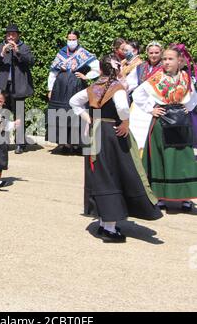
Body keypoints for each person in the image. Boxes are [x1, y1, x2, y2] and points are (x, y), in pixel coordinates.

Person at [69, 54, 162, 243]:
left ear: (101, 70)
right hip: (112, 134)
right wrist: (126, 123)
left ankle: (105, 223)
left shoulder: (93, 87)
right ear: (117, 70)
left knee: (101, 174)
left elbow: (74, 102)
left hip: (96, 132)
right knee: (115, 173)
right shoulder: (116, 88)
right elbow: (122, 108)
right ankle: (109, 229)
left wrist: (89, 119)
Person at [133, 47, 197, 212]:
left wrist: (188, 107)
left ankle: (184, 197)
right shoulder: (156, 78)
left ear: (179, 61)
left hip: (181, 122)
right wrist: (150, 109)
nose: (166, 62)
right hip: (161, 121)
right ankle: (160, 195)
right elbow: (138, 94)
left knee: (183, 158)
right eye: (165, 59)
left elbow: (193, 96)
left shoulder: (185, 77)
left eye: (170, 59)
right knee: (160, 157)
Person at [47, 30, 100, 154]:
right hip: (60, 88)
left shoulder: (84, 54)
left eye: (73, 39)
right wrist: (50, 89)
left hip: (77, 87)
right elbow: (52, 73)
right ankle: (64, 144)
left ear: (78, 39)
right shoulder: (61, 53)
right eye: (69, 39)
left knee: (77, 113)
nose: (71, 41)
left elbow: (98, 68)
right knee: (61, 113)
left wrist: (87, 76)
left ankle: (77, 145)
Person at [0, 23, 35, 154]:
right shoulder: (0, 47)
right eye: (8, 34)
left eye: (13, 34)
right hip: (3, 87)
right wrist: (2, 54)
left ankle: (20, 143)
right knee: (3, 114)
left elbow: (31, 61)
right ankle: (4, 141)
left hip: (19, 87)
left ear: (17, 35)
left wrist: (18, 52)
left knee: (19, 114)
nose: (10, 37)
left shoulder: (24, 47)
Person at [127, 41, 163, 151]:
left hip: (156, 104)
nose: (154, 55)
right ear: (147, 53)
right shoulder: (140, 67)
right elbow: (130, 83)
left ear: (161, 53)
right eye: (151, 52)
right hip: (139, 105)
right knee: (135, 132)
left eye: (156, 52)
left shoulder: (165, 69)